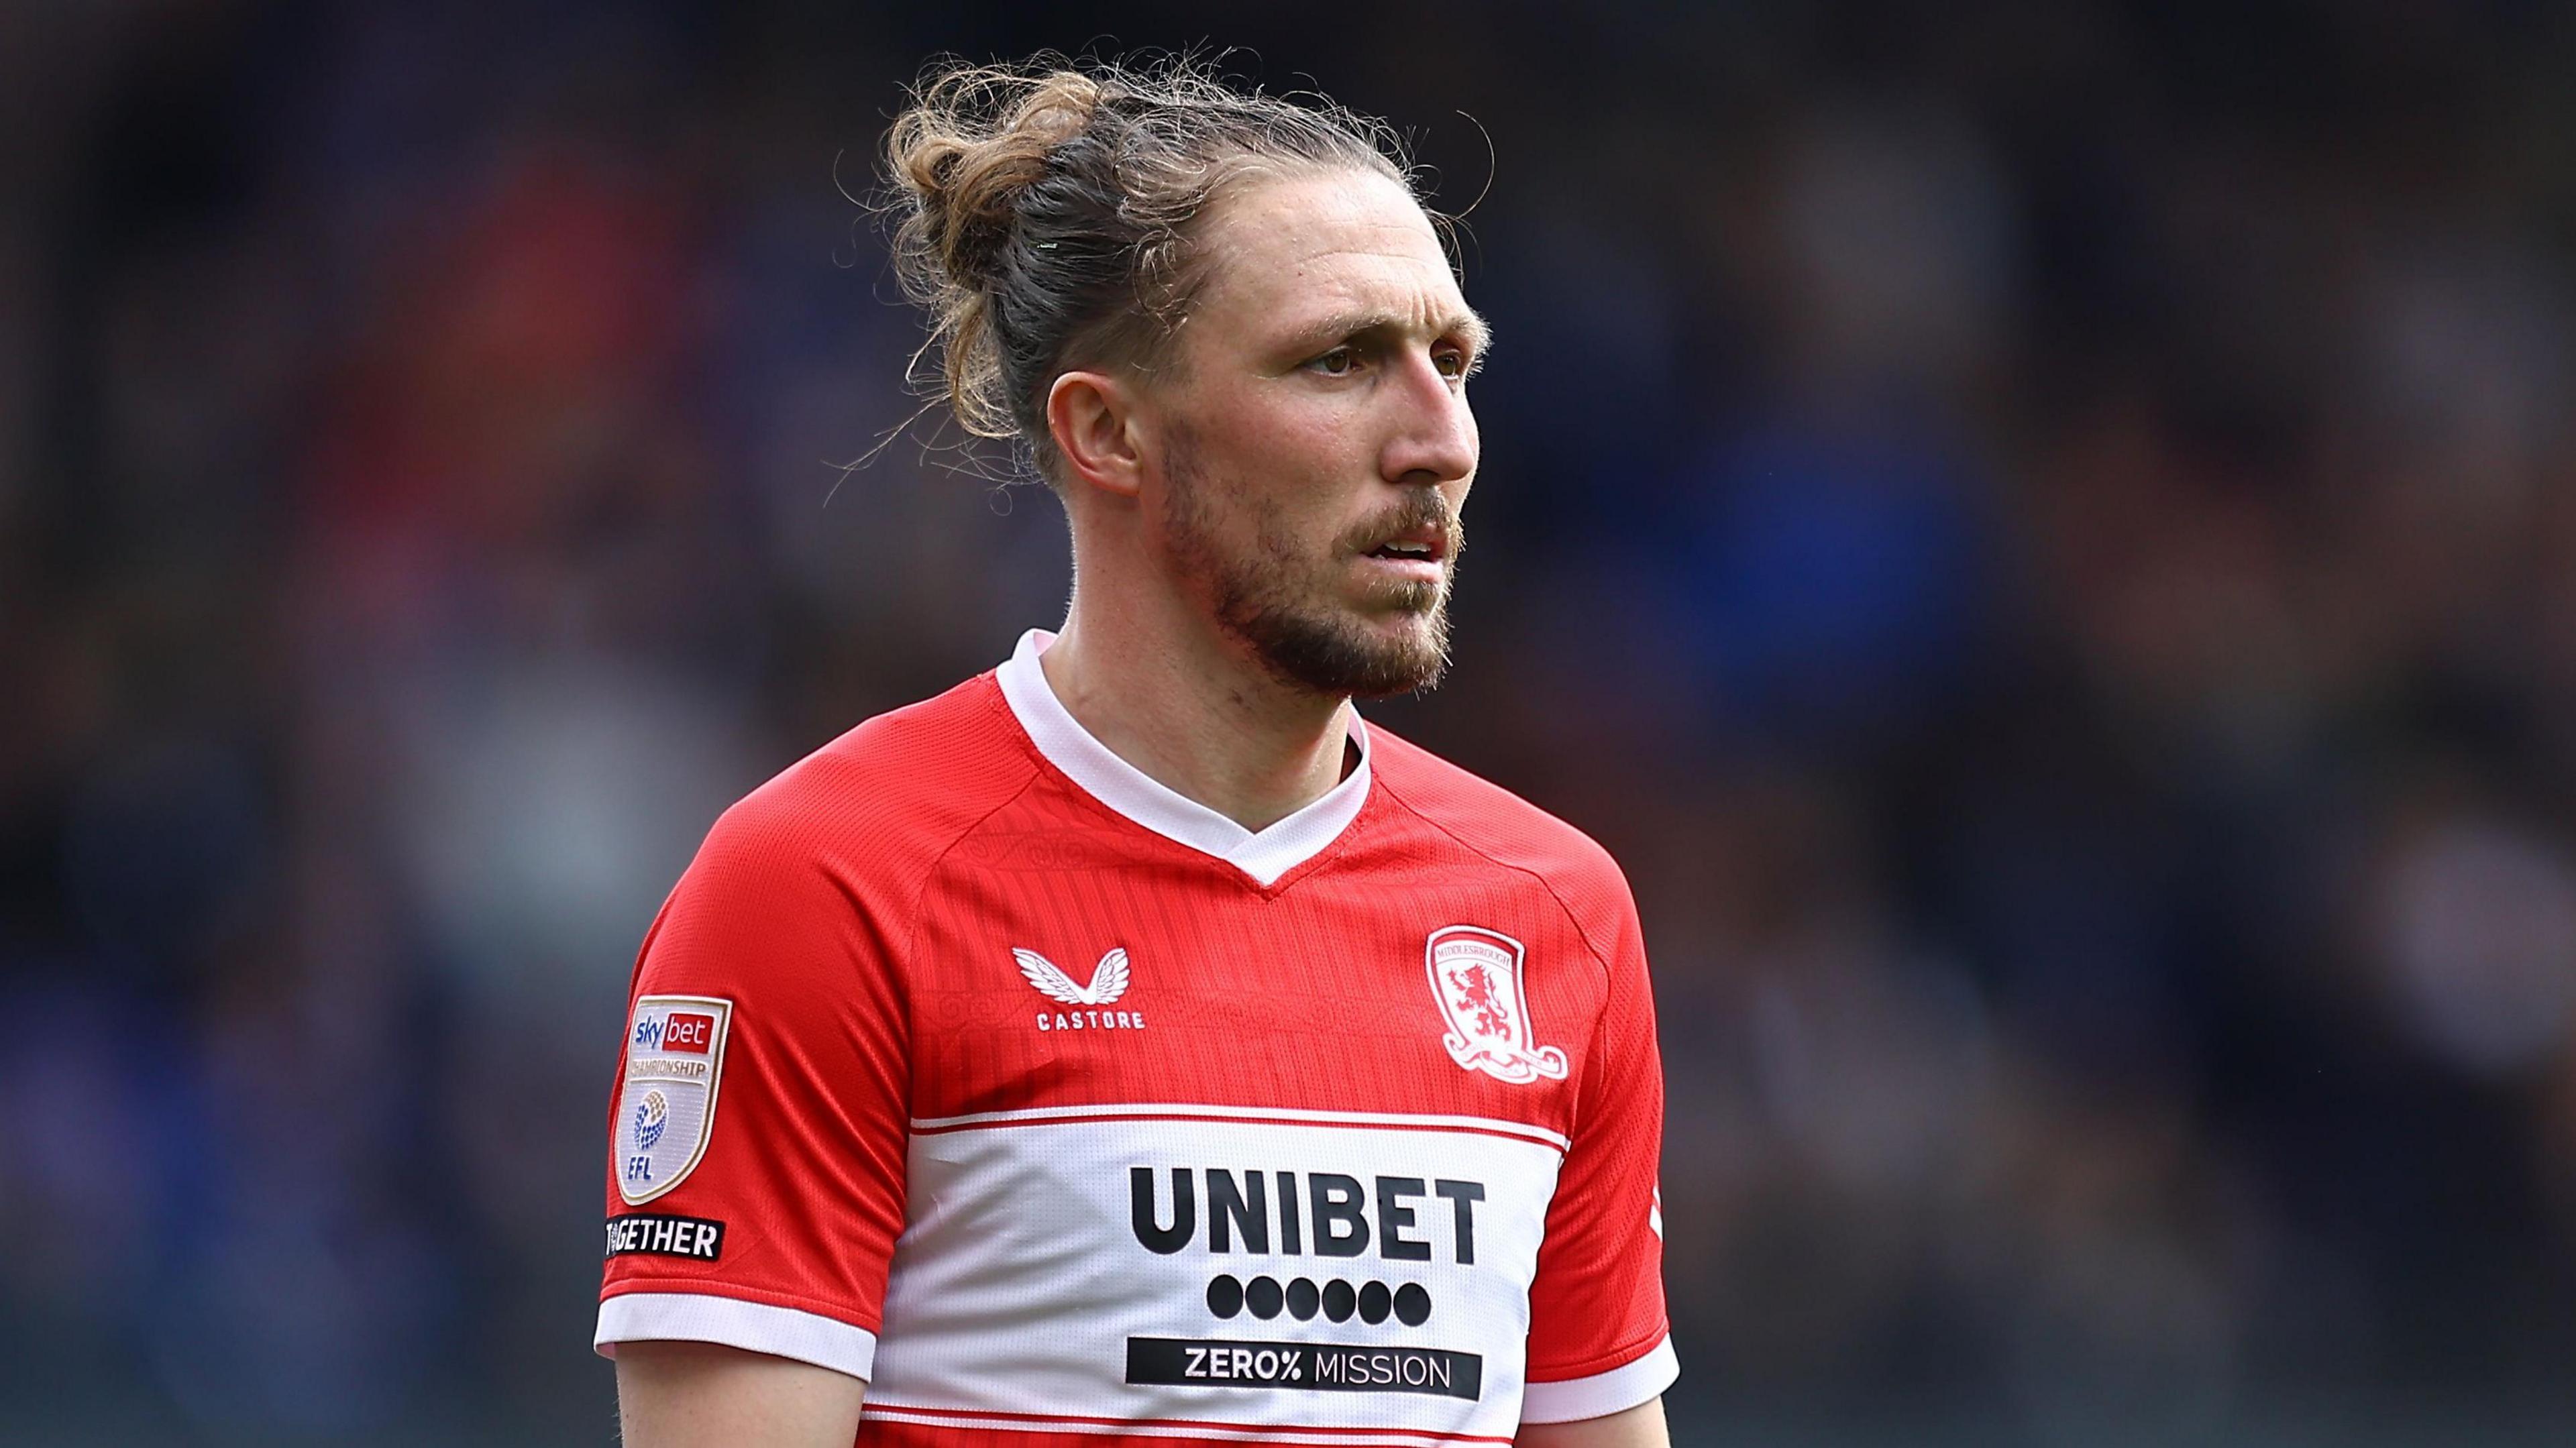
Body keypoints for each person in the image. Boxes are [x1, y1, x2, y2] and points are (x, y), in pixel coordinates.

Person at [598, 54, 1675, 1447]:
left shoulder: (1554, 915)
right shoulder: (825, 884)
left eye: (1453, 362)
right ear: (1108, 430)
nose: (1441, 440)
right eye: (1339, 360)